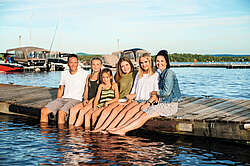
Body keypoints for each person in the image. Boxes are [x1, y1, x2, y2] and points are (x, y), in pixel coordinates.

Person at [108, 50, 181, 136]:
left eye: (162, 61)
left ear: (166, 62)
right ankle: (119, 128)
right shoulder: (161, 74)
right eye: (157, 61)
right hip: (162, 103)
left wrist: (153, 95)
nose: (159, 63)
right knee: (137, 112)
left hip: (169, 105)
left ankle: (123, 130)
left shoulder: (168, 73)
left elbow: (166, 92)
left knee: (143, 114)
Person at [40, 54, 88, 124]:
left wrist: (86, 99)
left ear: (78, 63)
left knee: (61, 112)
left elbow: (88, 87)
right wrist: (57, 101)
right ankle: (44, 133)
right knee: (43, 111)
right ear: (68, 64)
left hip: (76, 100)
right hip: (63, 99)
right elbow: (61, 88)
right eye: (71, 62)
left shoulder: (84, 74)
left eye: (75, 62)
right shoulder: (64, 73)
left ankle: (60, 134)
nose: (73, 64)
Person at [93, 57, 137, 131]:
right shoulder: (118, 75)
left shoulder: (135, 73)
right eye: (122, 66)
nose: (125, 68)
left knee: (108, 112)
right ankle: (97, 130)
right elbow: (112, 87)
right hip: (118, 99)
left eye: (127, 65)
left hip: (127, 100)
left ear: (130, 64)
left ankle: (100, 130)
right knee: (101, 112)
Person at [69, 57, 102, 126]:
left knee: (82, 111)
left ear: (101, 65)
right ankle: (70, 131)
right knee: (72, 109)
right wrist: (85, 99)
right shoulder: (89, 76)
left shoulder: (102, 77)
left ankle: (75, 130)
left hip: (97, 100)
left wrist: (92, 101)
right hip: (88, 100)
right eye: (93, 64)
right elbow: (86, 90)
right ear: (91, 65)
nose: (95, 66)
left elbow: (102, 93)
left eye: (97, 64)